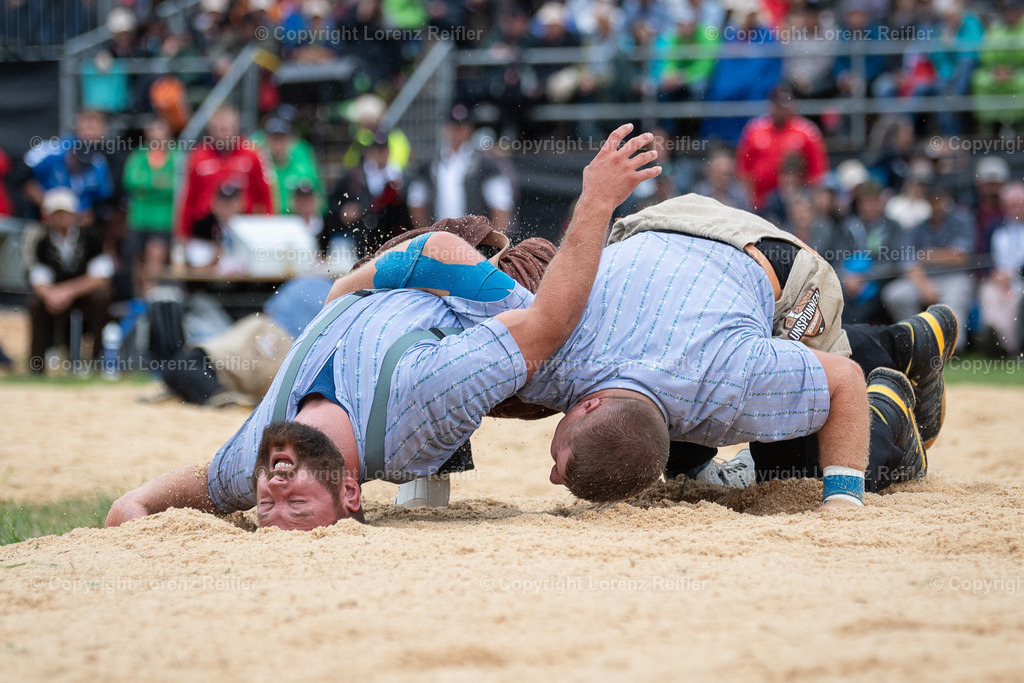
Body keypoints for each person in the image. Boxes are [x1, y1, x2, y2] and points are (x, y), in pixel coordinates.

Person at [105, 124, 661, 530]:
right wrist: (596, 199)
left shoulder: (260, 455)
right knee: (477, 255)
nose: (274, 490)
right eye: (296, 503)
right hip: (489, 299)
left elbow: (190, 490)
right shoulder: (421, 404)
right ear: (351, 494)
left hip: (389, 305)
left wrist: (133, 507)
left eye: (268, 505)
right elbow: (537, 315)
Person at [27, 188, 114, 373]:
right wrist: (50, 295)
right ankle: (36, 365)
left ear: (73, 214)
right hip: (56, 298)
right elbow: (38, 278)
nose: (61, 218)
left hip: (84, 296)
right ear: (48, 217)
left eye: (64, 213)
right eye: (56, 213)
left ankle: (96, 361)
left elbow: (101, 277)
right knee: (35, 303)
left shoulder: (91, 238)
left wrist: (68, 291)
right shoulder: (43, 242)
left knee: (102, 298)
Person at [882, 183, 975, 352]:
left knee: (955, 296)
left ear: (947, 200)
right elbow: (907, 261)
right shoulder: (919, 227)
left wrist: (927, 255)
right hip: (925, 278)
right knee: (895, 295)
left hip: (954, 277)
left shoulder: (961, 220)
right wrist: (924, 284)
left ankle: (953, 349)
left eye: (940, 200)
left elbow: (961, 256)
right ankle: (914, 344)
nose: (937, 205)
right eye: (933, 201)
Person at [406, 105, 514, 233]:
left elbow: (501, 204)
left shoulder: (485, 165)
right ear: (445, 129)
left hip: (475, 238)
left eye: (461, 128)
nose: (457, 133)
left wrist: (495, 240)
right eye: (453, 128)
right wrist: (425, 234)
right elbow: (416, 201)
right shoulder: (429, 163)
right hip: (439, 236)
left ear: (470, 130)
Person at [175, 105, 276, 240]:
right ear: (210, 131)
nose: (222, 135)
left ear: (236, 128)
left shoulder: (252, 154)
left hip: (244, 225)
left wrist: (269, 230)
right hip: (205, 228)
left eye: (226, 130)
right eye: (217, 130)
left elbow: (265, 195)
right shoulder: (198, 156)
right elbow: (188, 197)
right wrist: (182, 235)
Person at [735, 84, 829, 211]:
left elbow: (818, 173)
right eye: (777, 105)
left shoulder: (807, 132)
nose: (781, 110)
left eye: (784, 105)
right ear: (771, 105)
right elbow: (743, 170)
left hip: (796, 205)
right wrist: (752, 200)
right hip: (759, 203)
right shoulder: (754, 129)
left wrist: (807, 203)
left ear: (793, 105)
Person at [122, 117, 180, 295]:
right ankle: (138, 298)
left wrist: (146, 187)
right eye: (152, 131)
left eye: (159, 131)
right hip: (138, 219)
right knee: (137, 262)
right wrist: (157, 183)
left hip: (163, 219)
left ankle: (150, 297)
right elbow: (130, 181)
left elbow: (175, 185)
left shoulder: (176, 156)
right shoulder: (139, 155)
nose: (155, 136)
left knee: (155, 260)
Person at [978, 182, 1024, 356]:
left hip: (1019, 279)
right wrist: (995, 275)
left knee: (1015, 298)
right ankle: (995, 339)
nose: (1017, 209)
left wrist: (1014, 275)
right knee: (989, 294)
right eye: (1012, 205)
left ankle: (1010, 347)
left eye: (1020, 205)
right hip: (996, 279)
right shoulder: (994, 228)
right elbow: (983, 257)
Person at [252, 114, 325, 215]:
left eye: (281, 138)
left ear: (290, 139)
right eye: (274, 139)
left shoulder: (303, 163)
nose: (278, 145)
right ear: (266, 140)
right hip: (267, 222)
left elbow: (320, 198)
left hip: (296, 220)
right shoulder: (257, 166)